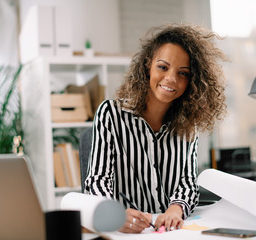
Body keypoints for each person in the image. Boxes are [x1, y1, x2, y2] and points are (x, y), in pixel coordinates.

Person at [84, 23, 227, 233]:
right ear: (147, 65)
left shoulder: (189, 124)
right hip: (127, 233)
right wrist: (115, 214)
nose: (171, 78)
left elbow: (188, 182)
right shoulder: (111, 114)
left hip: (171, 232)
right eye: (163, 67)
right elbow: (98, 180)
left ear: (192, 81)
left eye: (183, 73)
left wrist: (176, 209)